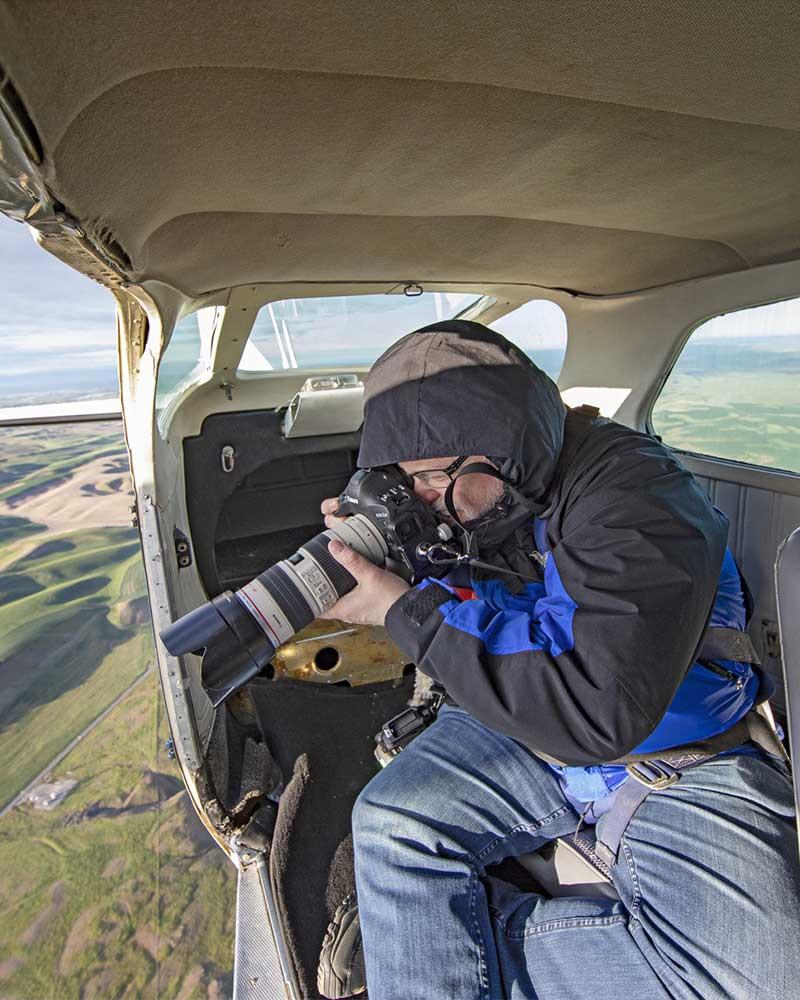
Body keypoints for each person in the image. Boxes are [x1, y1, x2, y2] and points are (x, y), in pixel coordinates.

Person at [317, 320, 799, 1000]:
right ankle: (413, 931)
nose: (424, 499)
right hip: (530, 725)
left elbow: (601, 710)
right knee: (392, 824)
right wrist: (394, 552)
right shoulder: (501, 493)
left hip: (679, 754)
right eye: (406, 482)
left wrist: (405, 611)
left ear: (498, 445)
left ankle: (434, 935)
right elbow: (494, 599)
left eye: (428, 479)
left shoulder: (642, 503)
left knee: (756, 988)